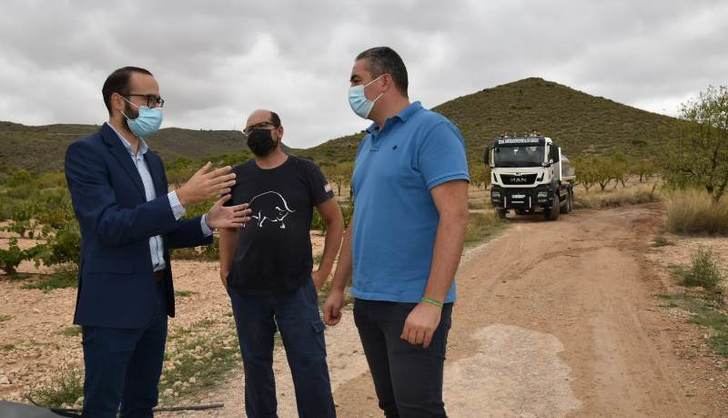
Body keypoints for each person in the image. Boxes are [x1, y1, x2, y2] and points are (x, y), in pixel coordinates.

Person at [64, 66, 251, 418]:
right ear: (118, 101)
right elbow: (108, 225)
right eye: (148, 99)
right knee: (103, 405)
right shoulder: (86, 153)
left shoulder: (153, 160)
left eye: (158, 100)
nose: (156, 107)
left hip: (154, 297)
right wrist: (181, 197)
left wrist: (207, 222)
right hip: (111, 304)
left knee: (142, 402)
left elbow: (158, 228)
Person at [323, 47, 470, 417]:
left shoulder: (433, 131)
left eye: (356, 80)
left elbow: (454, 217)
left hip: (412, 303)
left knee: (419, 410)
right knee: (392, 407)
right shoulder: (368, 141)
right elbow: (360, 220)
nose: (351, 89)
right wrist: (339, 287)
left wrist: (432, 303)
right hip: (369, 302)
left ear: (383, 81)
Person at [219, 109, 343, 418]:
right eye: (249, 130)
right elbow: (228, 226)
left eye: (262, 126)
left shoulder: (306, 171)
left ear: (280, 131)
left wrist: (324, 271)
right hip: (247, 289)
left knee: (310, 365)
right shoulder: (237, 176)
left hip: (295, 288)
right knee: (256, 368)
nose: (256, 132)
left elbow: (334, 220)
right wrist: (225, 269)